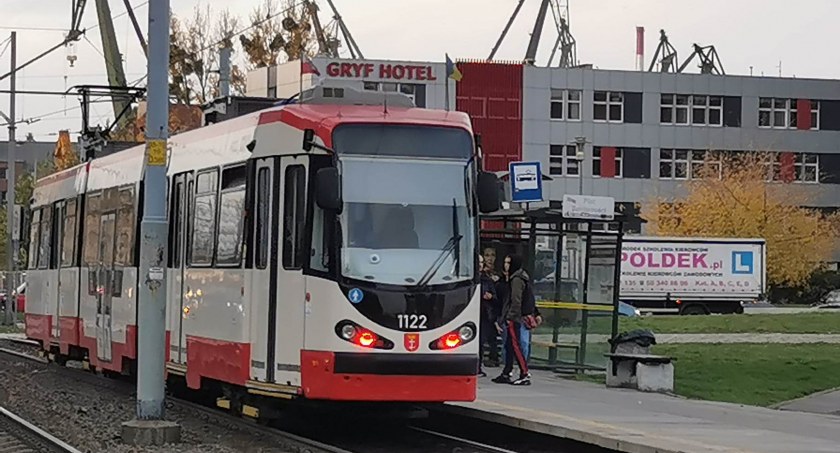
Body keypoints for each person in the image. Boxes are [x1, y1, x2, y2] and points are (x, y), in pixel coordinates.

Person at [492, 254, 531, 386]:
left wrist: (510, 317)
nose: (506, 265)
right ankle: (507, 371)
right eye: (505, 262)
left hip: (514, 318)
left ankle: (524, 373)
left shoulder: (516, 280)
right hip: (512, 316)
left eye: (508, 263)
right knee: (509, 345)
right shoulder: (515, 278)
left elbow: (516, 300)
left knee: (515, 344)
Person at [478, 255, 498, 377]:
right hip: (470, 312)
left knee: (481, 342)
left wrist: (491, 297)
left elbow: (495, 297)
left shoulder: (487, 280)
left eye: (481, 262)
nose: (480, 264)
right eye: (478, 262)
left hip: (484, 315)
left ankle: (479, 366)